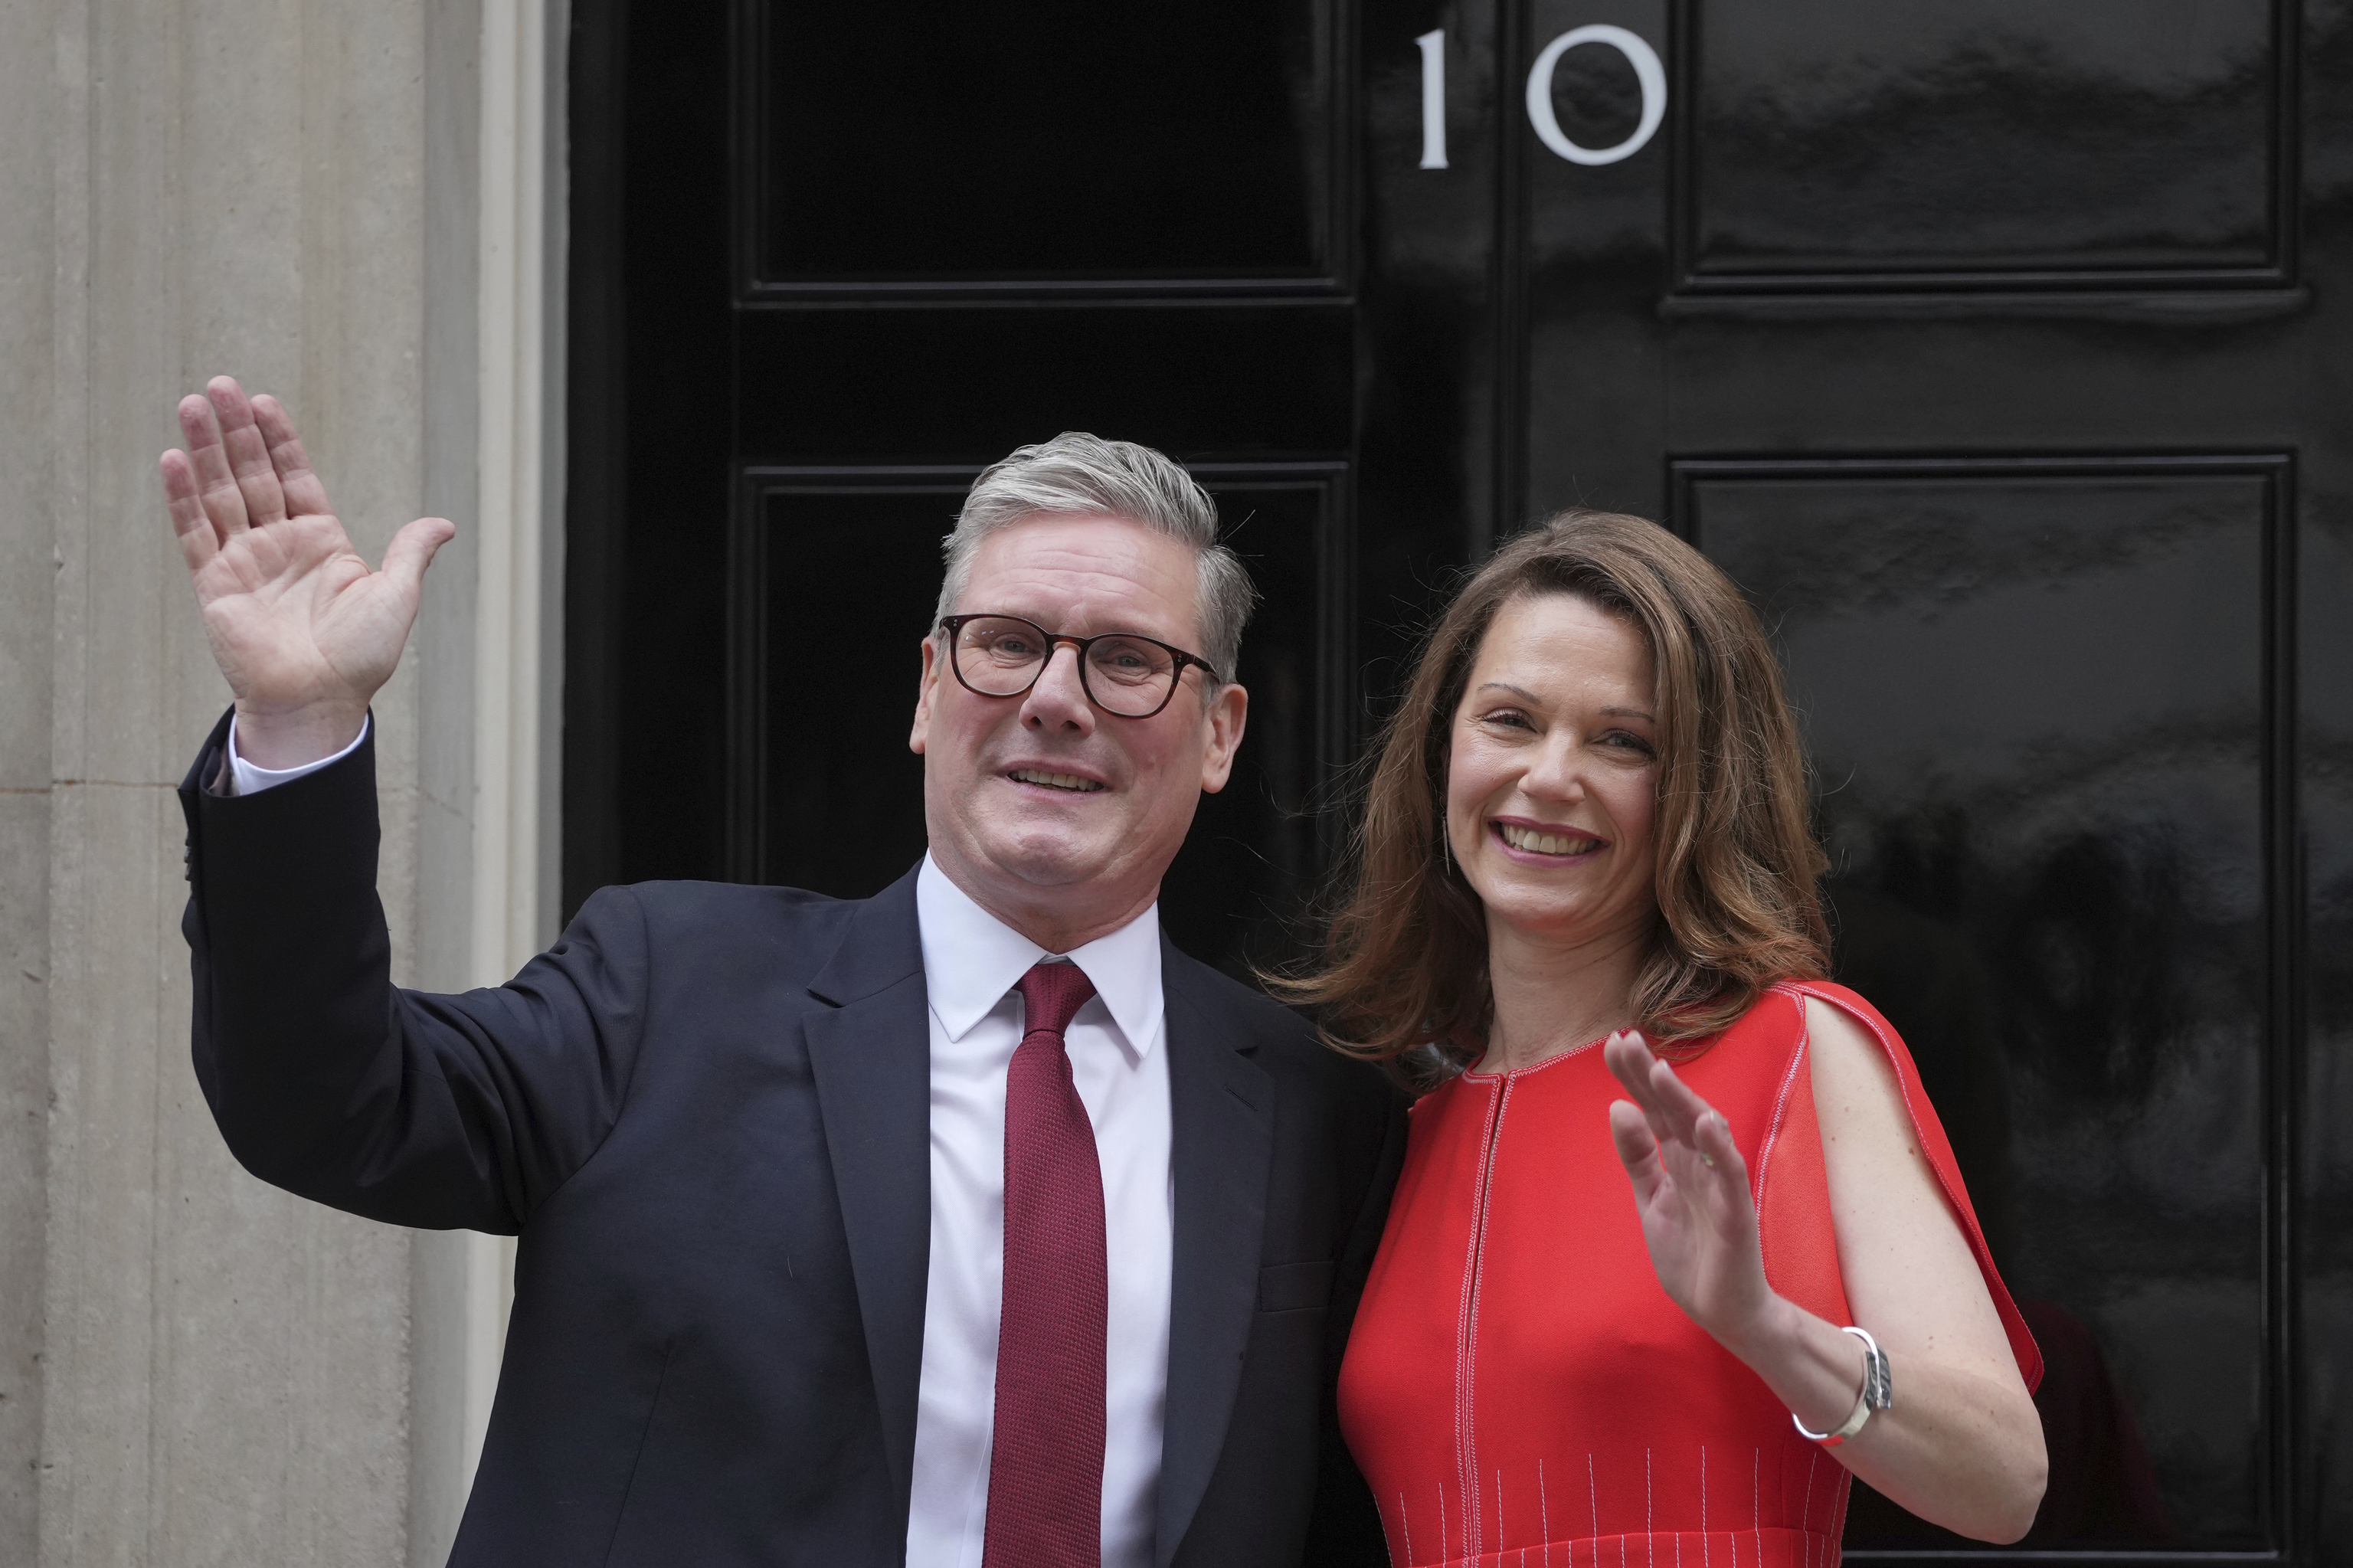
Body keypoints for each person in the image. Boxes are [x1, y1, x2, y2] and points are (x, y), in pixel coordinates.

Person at [158, 377, 1403, 1567]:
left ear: (1222, 731)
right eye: (1006, 643)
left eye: (1129, 661)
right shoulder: (668, 987)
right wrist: (303, 727)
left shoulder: (1315, 1114)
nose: (1055, 699)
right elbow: (327, 1102)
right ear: (929, 690)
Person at [1280, 511, 2047, 1564]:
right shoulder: (1407, 1129)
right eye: (1510, 719)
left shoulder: (1796, 1049)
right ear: (1439, 751)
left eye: (1622, 741)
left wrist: (1767, 1328)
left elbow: (2002, 1480)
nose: (1550, 777)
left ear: (1698, 788)